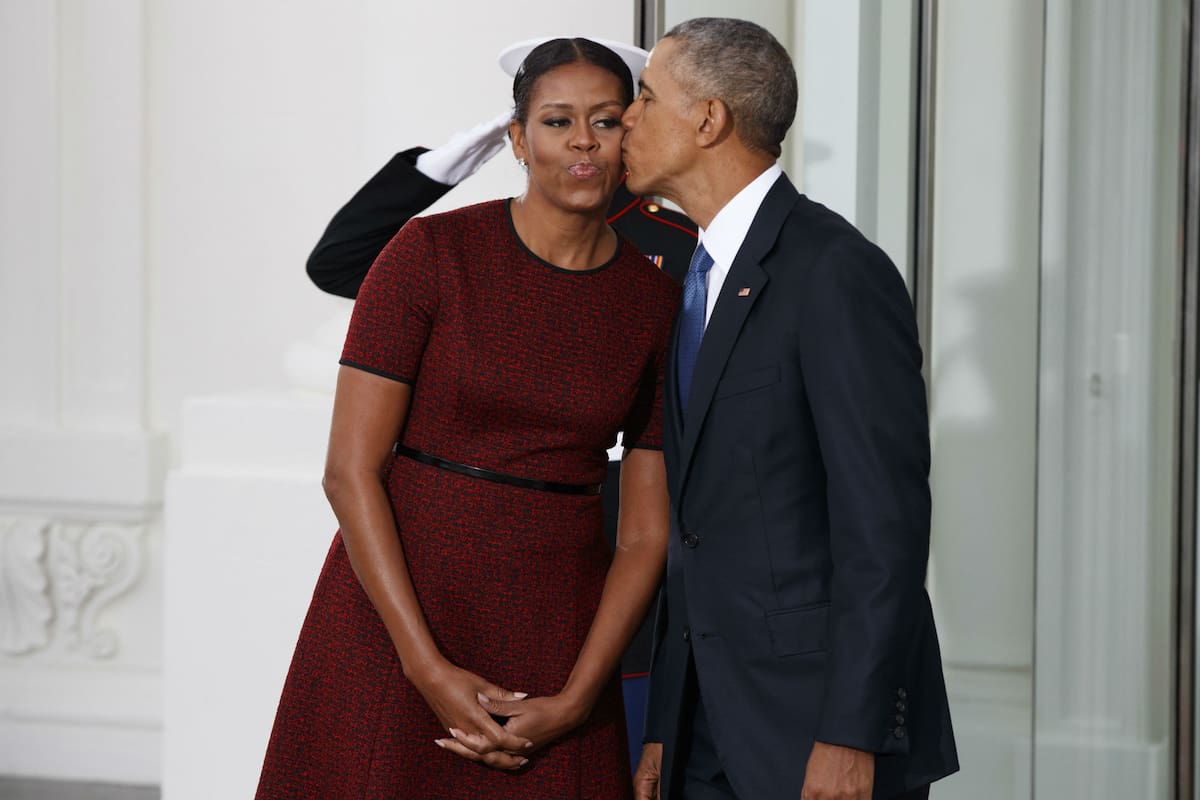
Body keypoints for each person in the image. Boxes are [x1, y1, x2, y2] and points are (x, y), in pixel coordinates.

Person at [255, 37, 678, 799]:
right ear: (516, 138)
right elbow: (349, 470)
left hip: (557, 618)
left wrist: (582, 695)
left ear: (633, 133)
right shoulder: (431, 251)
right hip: (400, 610)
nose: (583, 141)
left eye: (606, 120)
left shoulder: (657, 294)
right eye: (555, 121)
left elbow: (647, 530)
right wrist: (423, 665)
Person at [620, 18, 959, 800]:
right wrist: (665, 727)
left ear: (709, 120)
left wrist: (851, 733)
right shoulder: (697, 274)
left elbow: (885, 524)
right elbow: (696, 531)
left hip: (814, 732)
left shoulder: (835, 271)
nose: (626, 119)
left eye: (644, 97)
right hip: (704, 729)